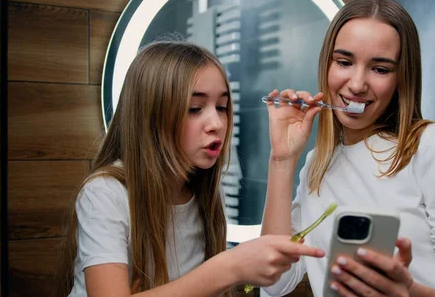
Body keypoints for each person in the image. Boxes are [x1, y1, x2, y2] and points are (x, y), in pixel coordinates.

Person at [261, 0, 435, 297]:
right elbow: (275, 281)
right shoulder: (318, 163)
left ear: (402, 78)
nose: (357, 84)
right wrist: (282, 160)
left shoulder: (434, 148)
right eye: (344, 62)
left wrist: (409, 292)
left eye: (380, 69)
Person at [54, 41, 325, 297]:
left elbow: (276, 276)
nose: (217, 123)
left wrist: (282, 158)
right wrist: (229, 267)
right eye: (195, 108)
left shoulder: (202, 194)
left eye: (221, 107)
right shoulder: (105, 193)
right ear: (152, 115)